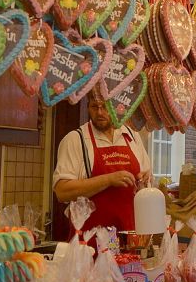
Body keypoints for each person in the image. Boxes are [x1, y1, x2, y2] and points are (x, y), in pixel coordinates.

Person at [53, 88, 152, 233]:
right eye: (94, 106)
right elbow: (62, 192)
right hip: (90, 244)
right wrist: (108, 180)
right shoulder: (76, 139)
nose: (99, 112)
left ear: (118, 106)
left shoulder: (132, 136)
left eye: (105, 106)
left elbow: (146, 180)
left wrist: (145, 180)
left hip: (128, 238)